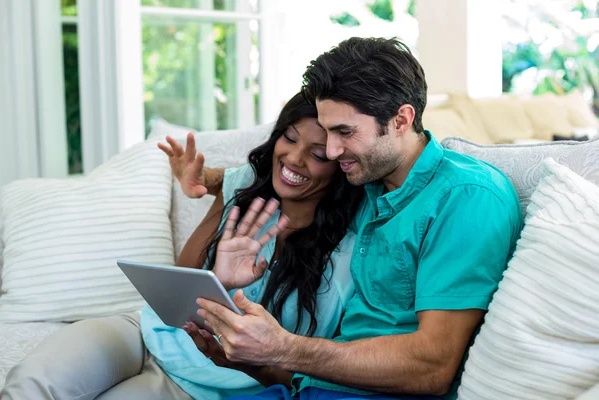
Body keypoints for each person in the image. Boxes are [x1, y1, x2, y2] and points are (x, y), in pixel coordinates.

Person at [185, 37, 524, 400]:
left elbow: (433, 367)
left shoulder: (465, 197)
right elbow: (275, 176)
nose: (331, 151)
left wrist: (284, 347)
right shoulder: (364, 187)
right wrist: (248, 359)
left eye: (344, 132)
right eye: (328, 132)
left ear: (401, 120)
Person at [0, 93, 364, 400]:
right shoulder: (247, 187)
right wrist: (216, 278)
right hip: (146, 332)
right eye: (288, 137)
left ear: (340, 166)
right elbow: (181, 277)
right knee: (31, 381)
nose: (294, 158)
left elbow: (309, 373)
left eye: (317, 154)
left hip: (200, 384)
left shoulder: (347, 259)